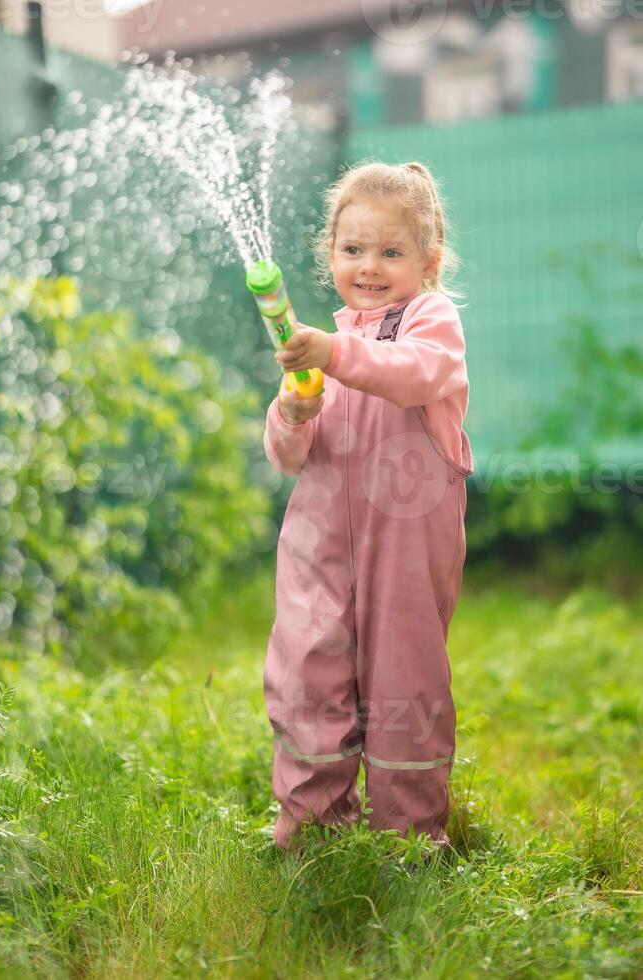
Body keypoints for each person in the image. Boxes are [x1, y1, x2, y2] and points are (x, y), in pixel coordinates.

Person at [262, 160, 473, 855]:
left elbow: (412, 377)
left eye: (391, 251)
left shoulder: (430, 323)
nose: (370, 266)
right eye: (353, 250)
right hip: (319, 547)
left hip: (404, 551)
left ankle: (408, 837)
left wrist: (336, 353)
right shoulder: (323, 344)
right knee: (306, 671)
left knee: (403, 677)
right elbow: (289, 457)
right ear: (330, 256)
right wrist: (293, 410)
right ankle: (313, 828)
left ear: (428, 260)